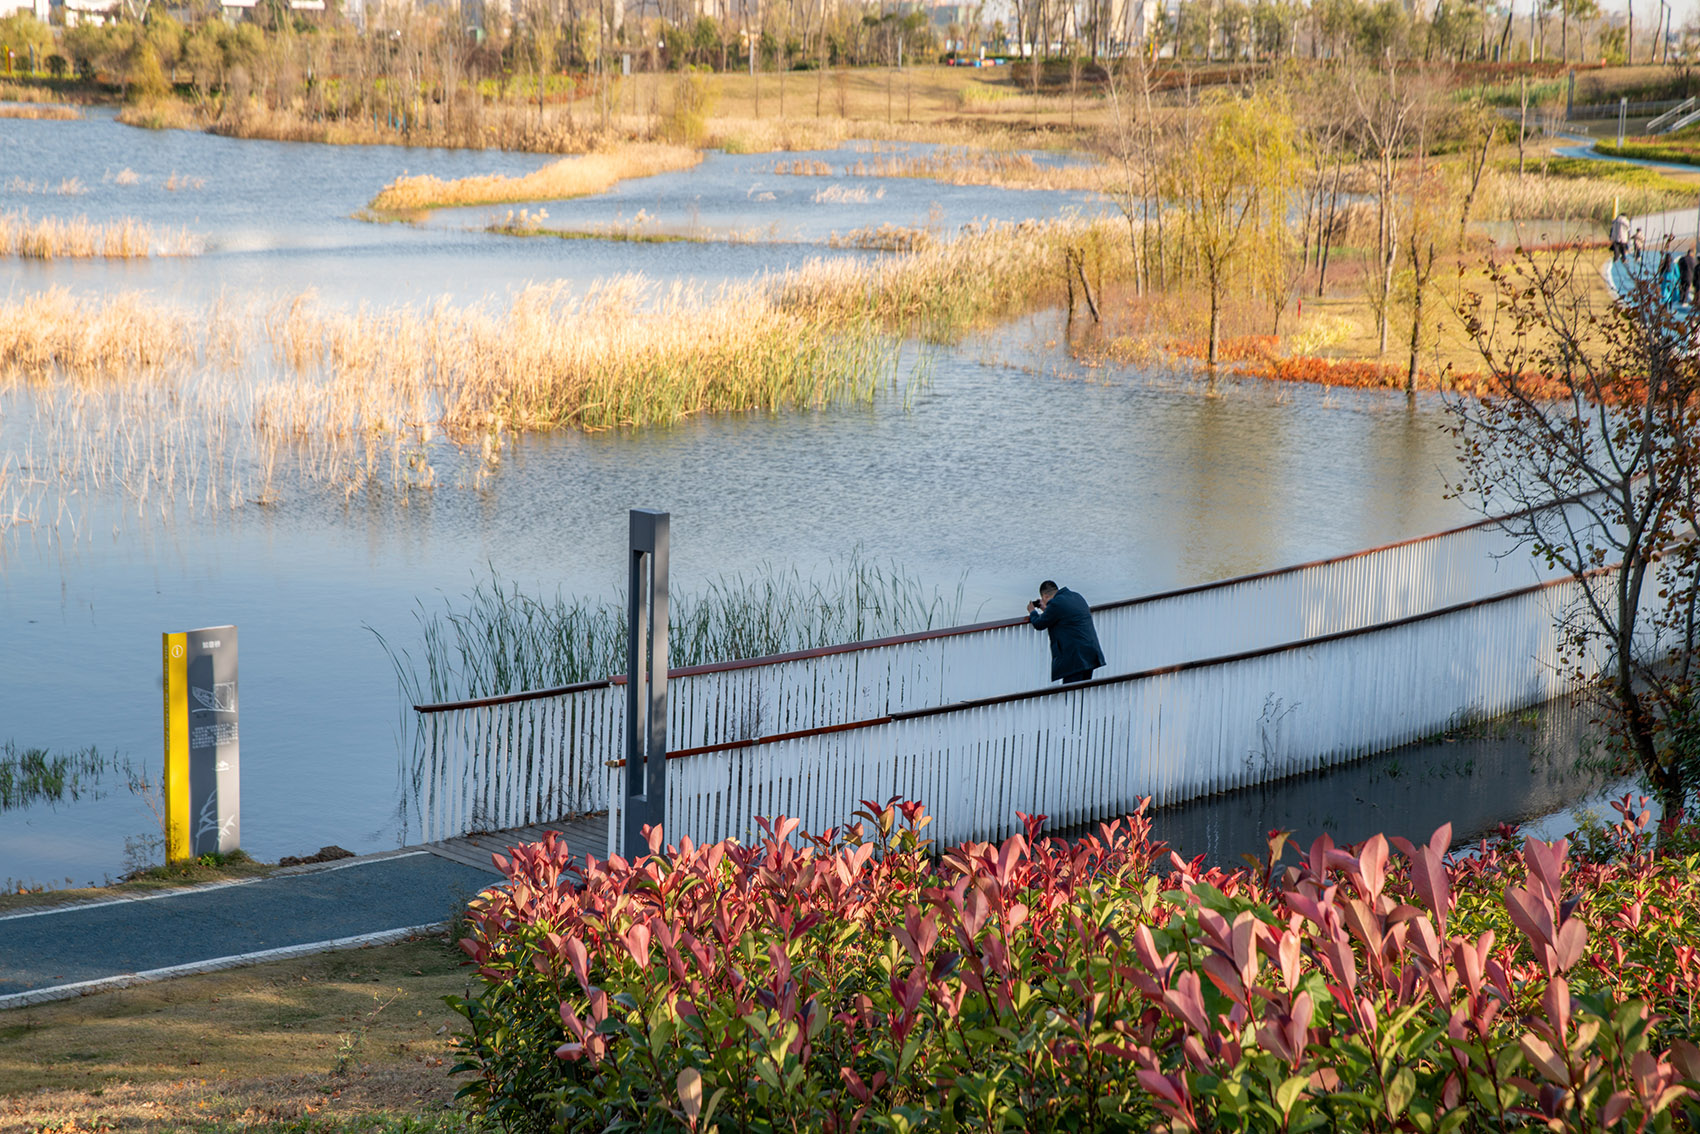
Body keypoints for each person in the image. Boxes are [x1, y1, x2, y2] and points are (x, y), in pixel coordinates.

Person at [1026, 580, 1106, 685]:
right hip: (1089, 653)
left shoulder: (1055, 604)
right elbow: (1060, 613)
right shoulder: (1076, 596)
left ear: (1045, 596)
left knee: (1071, 695)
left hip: (1075, 659)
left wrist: (1032, 612)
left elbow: (1039, 624)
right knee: (1082, 693)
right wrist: (1045, 609)